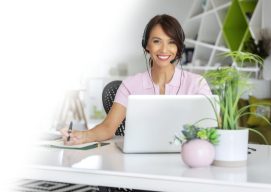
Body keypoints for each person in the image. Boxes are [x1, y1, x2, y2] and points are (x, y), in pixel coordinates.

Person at [60, 14, 212, 145]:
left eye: (171, 42)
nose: (164, 49)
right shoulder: (130, 85)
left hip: (186, 159)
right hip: (140, 162)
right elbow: (108, 128)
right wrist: (81, 136)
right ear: (147, 45)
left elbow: (211, 129)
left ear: (179, 47)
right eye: (157, 41)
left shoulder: (197, 84)